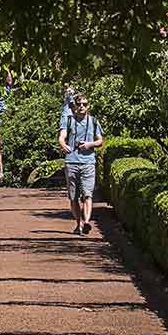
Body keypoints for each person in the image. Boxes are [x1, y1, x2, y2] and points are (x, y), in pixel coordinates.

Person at [57, 93, 104, 235]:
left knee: (88, 194)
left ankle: (87, 222)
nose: (82, 106)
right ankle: (79, 224)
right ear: (75, 106)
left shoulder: (94, 121)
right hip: (71, 162)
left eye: (84, 104)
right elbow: (62, 136)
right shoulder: (69, 121)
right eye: (79, 104)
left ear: (88, 106)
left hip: (88, 162)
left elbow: (100, 140)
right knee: (73, 197)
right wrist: (63, 144)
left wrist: (90, 144)